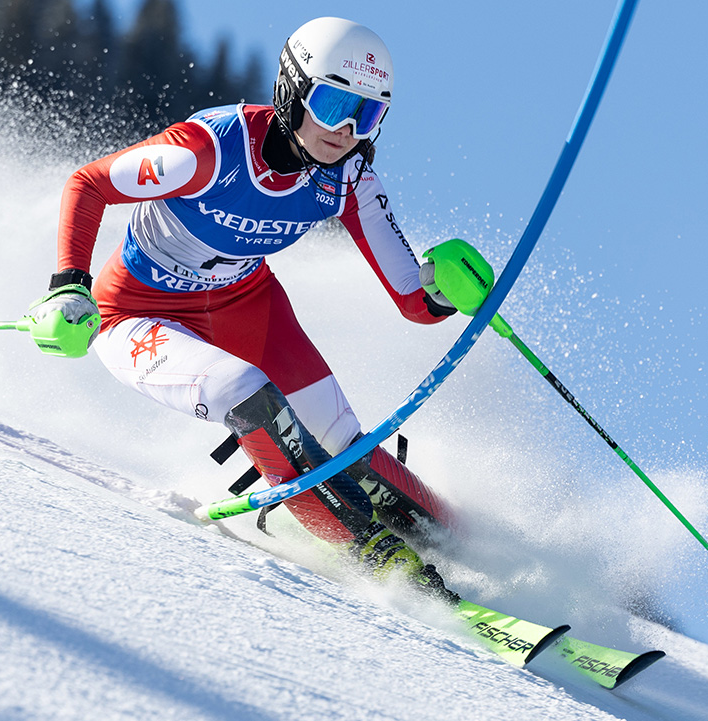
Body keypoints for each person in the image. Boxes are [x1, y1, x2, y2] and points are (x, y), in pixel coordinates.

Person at [27, 17, 471, 603]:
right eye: (334, 102)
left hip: (247, 307)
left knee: (347, 449)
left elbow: (415, 302)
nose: (345, 129)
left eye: (366, 115)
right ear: (292, 87)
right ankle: (372, 555)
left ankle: (472, 549)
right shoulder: (206, 151)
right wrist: (68, 284)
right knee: (245, 390)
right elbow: (89, 183)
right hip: (135, 313)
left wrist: (447, 289)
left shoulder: (349, 177)